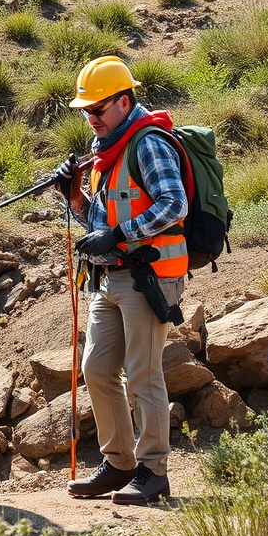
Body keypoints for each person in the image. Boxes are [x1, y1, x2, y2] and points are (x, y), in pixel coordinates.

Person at [55, 55, 188, 505]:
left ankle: (154, 471)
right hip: (109, 280)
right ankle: (120, 464)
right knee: (96, 368)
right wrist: (76, 195)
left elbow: (175, 203)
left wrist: (120, 234)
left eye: (97, 108)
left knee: (143, 374)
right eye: (85, 111)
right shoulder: (106, 151)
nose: (90, 118)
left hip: (149, 278)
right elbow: (99, 217)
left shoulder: (147, 142)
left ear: (124, 100)